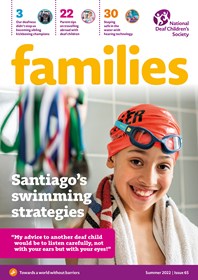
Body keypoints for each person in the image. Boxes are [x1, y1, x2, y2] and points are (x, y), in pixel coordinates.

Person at [66, 103, 198, 265]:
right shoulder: (81, 229)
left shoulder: (190, 235)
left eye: (163, 166)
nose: (149, 180)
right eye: (136, 161)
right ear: (111, 158)